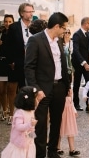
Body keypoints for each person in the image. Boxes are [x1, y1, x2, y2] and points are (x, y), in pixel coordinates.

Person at [25, 12, 70, 158]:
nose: (65, 31)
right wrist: (36, 89)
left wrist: (67, 86)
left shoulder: (58, 41)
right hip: (42, 90)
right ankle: (40, 154)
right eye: (64, 28)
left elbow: (63, 64)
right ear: (57, 26)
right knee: (41, 124)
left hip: (59, 88)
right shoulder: (35, 40)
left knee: (57, 122)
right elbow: (29, 67)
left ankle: (52, 152)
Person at [5, 3, 34, 124]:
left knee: (28, 90)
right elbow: (8, 46)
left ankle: (27, 115)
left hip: (31, 63)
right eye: (28, 11)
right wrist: (11, 61)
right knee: (13, 89)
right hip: (17, 62)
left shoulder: (34, 27)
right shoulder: (14, 27)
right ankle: (11, 114)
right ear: (22, 13)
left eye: (32, 11)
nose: (31, 13)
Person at [1, 86, 38, 158]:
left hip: (29, 139)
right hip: (20, 141)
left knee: (28, 152)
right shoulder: (20, 113)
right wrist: (29, 124)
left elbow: (37, 104)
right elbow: (18, 126)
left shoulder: (31, 111)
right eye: (34, 98)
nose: (36, 100)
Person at [0, 14, 15, 124]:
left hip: (11, 63)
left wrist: (4, 44)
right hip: (2, 63)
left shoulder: (15, 33)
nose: (7, 23)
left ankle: (11, 114)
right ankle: (4, 110)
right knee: (1, 90)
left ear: (13, 22)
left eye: (10, 21)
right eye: (6, 21)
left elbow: (15, 47)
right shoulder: (1, 33)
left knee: (11, 91)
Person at [71, 17, 89, 112]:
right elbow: (76, 51)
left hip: (87, 62)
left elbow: (88, 48)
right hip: (78, 63)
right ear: (85, 24)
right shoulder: (77, 34)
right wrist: (84, 63)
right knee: (76, 84)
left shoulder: (88, 34)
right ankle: (75, 104)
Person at [57, 90, 80, 157]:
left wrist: (74, 110)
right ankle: (57, 147)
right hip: (61, 111)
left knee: (70, 129)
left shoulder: (69, 89)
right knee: (59, 129)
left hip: (69, 112)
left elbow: (71, 101)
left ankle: (72, 149)